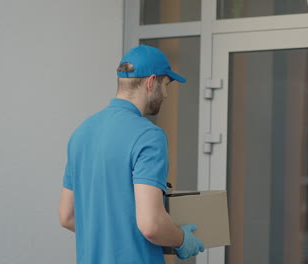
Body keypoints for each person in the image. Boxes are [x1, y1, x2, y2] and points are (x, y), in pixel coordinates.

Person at [59, 44, 204, 264]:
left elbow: (67, 216)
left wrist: (111, 239)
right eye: (166, 85)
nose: (165, 94)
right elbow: (151, 225)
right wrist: (182, 239)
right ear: (150, 82)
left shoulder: (81, 133)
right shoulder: (148, 136)